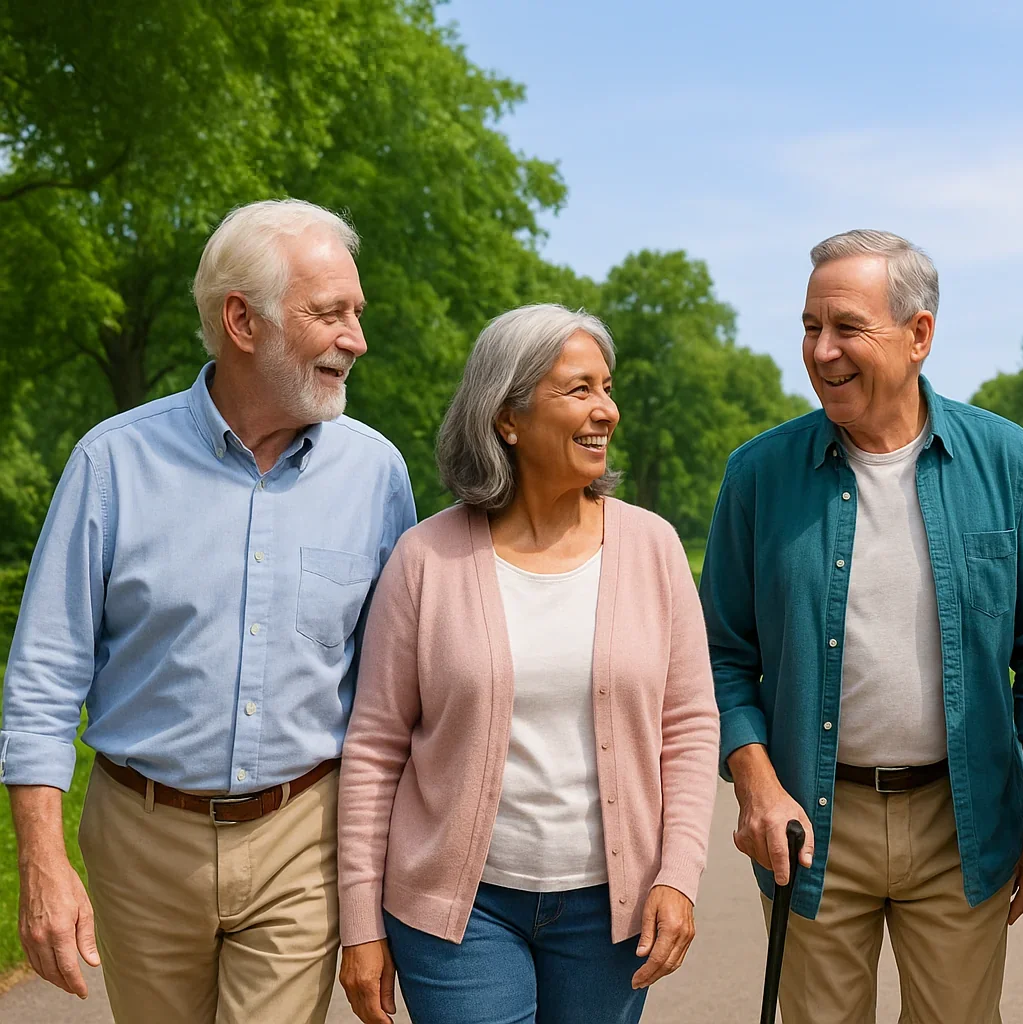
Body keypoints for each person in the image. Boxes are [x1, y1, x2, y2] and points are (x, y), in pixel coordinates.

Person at [0, 199, 416, 1023]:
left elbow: (391, 699)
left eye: (356, 315)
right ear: (242, 320)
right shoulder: (113, 462)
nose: (356, 340)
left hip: (303, 834)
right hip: (139, 839)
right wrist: (42, 865)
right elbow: (44, 678)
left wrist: (380, 888)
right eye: (330, 313)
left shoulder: (377, 475)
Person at [700, 230, 1023, 1023]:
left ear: (919, 334)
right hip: (810, 820)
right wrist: (756, 786)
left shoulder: (1007, 461)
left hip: (962, 817)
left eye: (846, 328)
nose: (821, 351)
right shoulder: (757, 475)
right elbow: (720, 658)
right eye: (808, 327)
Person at [337, 303, 719, 1024]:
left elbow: (691, 727)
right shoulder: (425, 559)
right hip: (458, 913)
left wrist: (679, 874)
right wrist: (361, 923)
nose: (605, 409)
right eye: (579, 390)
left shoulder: (653, 547)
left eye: (607, 388)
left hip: (613, 912)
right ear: (506, 417)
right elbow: (375, 748)